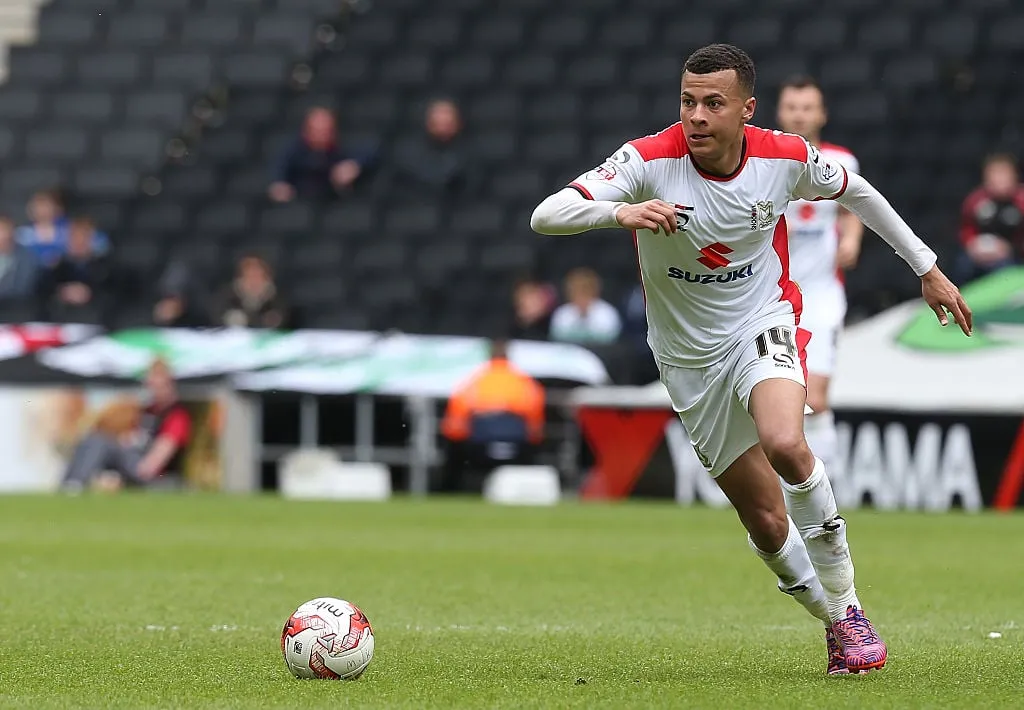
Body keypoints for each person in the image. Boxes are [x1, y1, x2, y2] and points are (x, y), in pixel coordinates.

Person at [531, 43, 971, 675]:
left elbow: (861, 193)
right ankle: (831, 621)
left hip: (761, 321)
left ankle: (850, 607)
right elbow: (546, 215)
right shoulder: (649, 159)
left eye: (714, 103)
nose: (698, 116)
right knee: (764, 518)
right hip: (686, 360)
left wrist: (927, 269)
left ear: (746, 110)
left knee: (788, 442)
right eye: (688, 101)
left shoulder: (782, 157)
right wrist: (618, 211)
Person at [775, 77, 864, 478]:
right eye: (792, 107)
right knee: (779, 401)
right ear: (780, 112)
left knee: (818, 396)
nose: (799, 115)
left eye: (807, 107)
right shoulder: (763, 159)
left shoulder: (842, 160)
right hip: (772, 296)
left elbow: (852, 209)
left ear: (822, 114)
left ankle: (826, 488)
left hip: (823, 293)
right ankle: (783, 488)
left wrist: (852, 240)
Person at [61, 359, 192, 492]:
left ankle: (75, 483)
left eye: (160, 385)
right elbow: (131, 437)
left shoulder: (176, 414)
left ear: (169, 384)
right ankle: (71, 482)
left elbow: (163, 450)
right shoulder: (147, 411)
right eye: (151, 385)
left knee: (99, 442)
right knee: (93, 439)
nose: (154, 390)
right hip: (133, 461)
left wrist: (143, 468)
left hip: (154, 473)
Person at [439, 339, 545, 493]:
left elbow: (455, 424)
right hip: (517, 446)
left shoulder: (474, 382)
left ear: (488, 357)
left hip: (478, 447)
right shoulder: (525, 383)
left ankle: (451, 490)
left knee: (453, 451)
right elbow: (535, 426)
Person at [268, 107, 375, 202]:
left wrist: (353, 165)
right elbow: (279, 172)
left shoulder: (341, 148)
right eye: (317, 131)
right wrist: (279, 186)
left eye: (327, 131)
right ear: (305, 132)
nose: (322, 135)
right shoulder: (293, 152)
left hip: (336, 203)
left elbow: (370, 153)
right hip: (301, 204)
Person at [955, 153, 1024, 284]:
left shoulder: (1021, 200)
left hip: (1014, 258)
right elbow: (966, 229)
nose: (998, 180)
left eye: (1003, 174)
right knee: (963, 264)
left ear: (1014, 176)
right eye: (994, 174)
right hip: (980, 256)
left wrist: (1009, 248)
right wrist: (972, 245)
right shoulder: (975, 200)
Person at [393, 98, 477, 196]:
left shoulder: (470, 152)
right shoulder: (410, 152)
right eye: (437, 121)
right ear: (428, 122)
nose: (442, 126)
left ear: (458, 122)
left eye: (447, 122)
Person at [215, 254, 291, 329]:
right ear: (241, 278)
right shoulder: (226, 297)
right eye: (249, 276)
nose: (253, 282)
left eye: (257, 276)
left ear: (267, 278)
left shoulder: (277, 299)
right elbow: (218, 319)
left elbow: (281, 321)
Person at [548, 267, 623, 344]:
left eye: (585, 291)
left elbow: (611, 342)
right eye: (576, 291)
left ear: (594, 291)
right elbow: (557, 342)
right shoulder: (562, 314)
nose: (581, 297)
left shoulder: (607, 313)